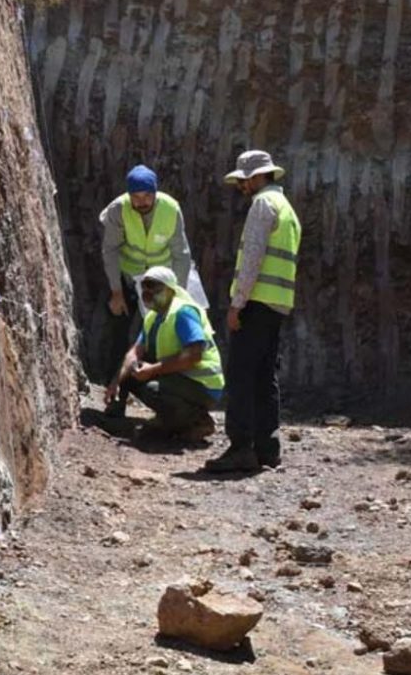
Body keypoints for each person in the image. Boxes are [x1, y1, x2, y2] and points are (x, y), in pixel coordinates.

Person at [204, 150, 301, 473]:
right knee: (264, 377)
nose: (242, 187)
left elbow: (252, 259)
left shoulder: (263, 205)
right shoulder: (286, 209)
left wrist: (237, 304)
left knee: (242, 375)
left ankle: (241, 446)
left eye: (244, 181)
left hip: (256, 303)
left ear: (258, 177)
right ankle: (267, 449)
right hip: (276, 304)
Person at [100, 165, 192, 417]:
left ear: (155, 192)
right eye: (136, 197)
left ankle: (165, 405)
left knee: (159, 338)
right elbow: (110, 250)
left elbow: (181, 255)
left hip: (161, 282)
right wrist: (116, 292)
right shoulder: (118, 210)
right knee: (119, 334)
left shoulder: (171, 209)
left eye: (146, 196)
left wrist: (178, 296)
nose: (141, 202)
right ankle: (115, 400)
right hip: (129, 279)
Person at [103, 266, 223, 443]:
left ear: (170, 290)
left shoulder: (183, 313)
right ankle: (118, 413)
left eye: (154, 287)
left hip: (203, 386)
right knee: (129, 371)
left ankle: (197, 421)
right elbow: (135, 351)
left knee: (153, 389)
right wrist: (116, 382)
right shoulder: (153, 317)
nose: (147, 293)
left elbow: (193, 356)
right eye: (144, 287)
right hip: (179, 378)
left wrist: (153, 370)